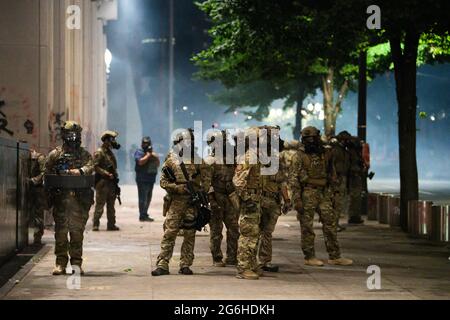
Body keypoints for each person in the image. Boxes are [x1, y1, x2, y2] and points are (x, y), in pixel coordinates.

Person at [289, 126, 353, 267]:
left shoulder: (324, 154)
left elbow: (331, 174)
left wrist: (334, 191)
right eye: (308, 138)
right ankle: (309, 256)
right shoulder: (299, 156)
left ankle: (335, 255)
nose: (311, 141)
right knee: (307, 227)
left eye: (313, 138)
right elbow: (293, 179)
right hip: (307, 193)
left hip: (324, 192)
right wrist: (296, 199)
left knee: (330, 224)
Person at [151, 129, 211, 276]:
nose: (189, 144)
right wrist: (178, 188)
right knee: (170, 233)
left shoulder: (197, 159)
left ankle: (185, 264)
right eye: (186, 141)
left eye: (191, 141)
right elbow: (163, 182)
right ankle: (163, 264)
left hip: (191, 202)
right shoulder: (171, 159)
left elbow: (206, 176)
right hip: (176, 202)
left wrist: (201, 190)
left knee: (190, 234)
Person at [44, 121, 94, 275]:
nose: (73, 137)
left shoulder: (84, 154)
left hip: (79, 201)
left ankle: (76, 264)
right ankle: (60, 263)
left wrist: (78, 171)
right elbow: (46, 173)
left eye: (75, 134)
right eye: (69, 134)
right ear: (64, 135)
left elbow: (90, 166)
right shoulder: (55, 154)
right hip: (61, 201)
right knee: (61, 233)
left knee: (77, 233)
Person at [257, 126, 291, 273]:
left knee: (267, 232)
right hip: (258, 199)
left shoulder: (276, 158)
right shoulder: (253, 157)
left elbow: (282, 181)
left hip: (272, 201)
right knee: (253, 232)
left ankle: (264, 261)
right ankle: (249, 261)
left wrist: (287, 200)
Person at [205, 130, 239, 267]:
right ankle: (217, 257)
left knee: (234, 229)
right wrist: (212, 201)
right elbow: (206, 184)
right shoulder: (210, 161)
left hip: (230, 197)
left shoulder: (232, 160)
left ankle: (232, 257)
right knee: (216, 231)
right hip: (216, 198)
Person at [233, 127, 263, 280]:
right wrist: (247, 198)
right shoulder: (249, 157)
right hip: (250, 201)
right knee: (248, 235)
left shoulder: (255, 156)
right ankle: (244, 268)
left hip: (255, 200)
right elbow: (238, 181)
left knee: (254, 235)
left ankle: (251, 265)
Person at [92, 130, 121, 231]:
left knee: (111, 205)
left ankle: (111, 224)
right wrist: (106, 173)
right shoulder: (99, 152)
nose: (113, 142)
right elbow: (95, 166)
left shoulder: (109, 152)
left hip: (111, 183)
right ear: (106, 140)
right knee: (100, 204)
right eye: (111, 140)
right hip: (103, 182)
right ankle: (95, 224)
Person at [330, 131, 352, 232]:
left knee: (339, 203)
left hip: (342, 178)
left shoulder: (344, 150)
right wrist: (334, 176)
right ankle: (333, 224)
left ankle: (335, 223)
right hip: (337, 179)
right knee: (336, 202)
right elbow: (331, 164)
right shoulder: (336, 150)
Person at [134, 137, 160, 222]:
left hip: (150, 179)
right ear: (142, 144)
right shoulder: (139, 152)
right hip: (142, 179)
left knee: (148, 198)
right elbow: (140, 162)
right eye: (144, 143)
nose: (146, 145)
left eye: (147, 143)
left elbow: (157, 164)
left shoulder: (152, 154)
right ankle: (142, 215)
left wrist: (153, 155)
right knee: (142, 198)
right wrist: (148, 155)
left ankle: (145, 213)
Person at [29, 149, 48, 245]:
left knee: (38, 214)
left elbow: (45, 172)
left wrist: (33, 180)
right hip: (26, 189)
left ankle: (37, 237)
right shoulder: (26, 158)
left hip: (37, 189)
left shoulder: (39, 158)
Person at [348, 136, 365, 224]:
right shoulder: (352, 153)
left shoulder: (355, 152)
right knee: (355, 197)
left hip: (356, 176)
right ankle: (353, 216)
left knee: (356, 198)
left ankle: (355, 215)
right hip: (354, 177)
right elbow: (352, 165)